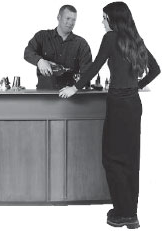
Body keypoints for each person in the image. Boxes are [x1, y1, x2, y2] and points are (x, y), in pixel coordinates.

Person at [59, 1, 160, 229]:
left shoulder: (111, 37)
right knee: (130, 159)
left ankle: (122, 213)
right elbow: (156, 69)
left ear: (113, 19)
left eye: (104, 17)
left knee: (111, 158)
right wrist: (138, 85)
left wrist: (75, 88)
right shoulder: (135, 39)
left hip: (117, 104)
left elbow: (95, 66)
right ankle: (131, 214)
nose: (102, 21)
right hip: (134, 104)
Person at [24, 5, 92, 89]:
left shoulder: (81, 44)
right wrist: (39, 61)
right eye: (67, 18)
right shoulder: (42, 36)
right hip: (44, 95)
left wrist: (80, 83)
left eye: (73, 20)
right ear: (59, 17)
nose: (71, 23)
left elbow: (88, 72)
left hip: (70, 96)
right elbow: (28, 52)